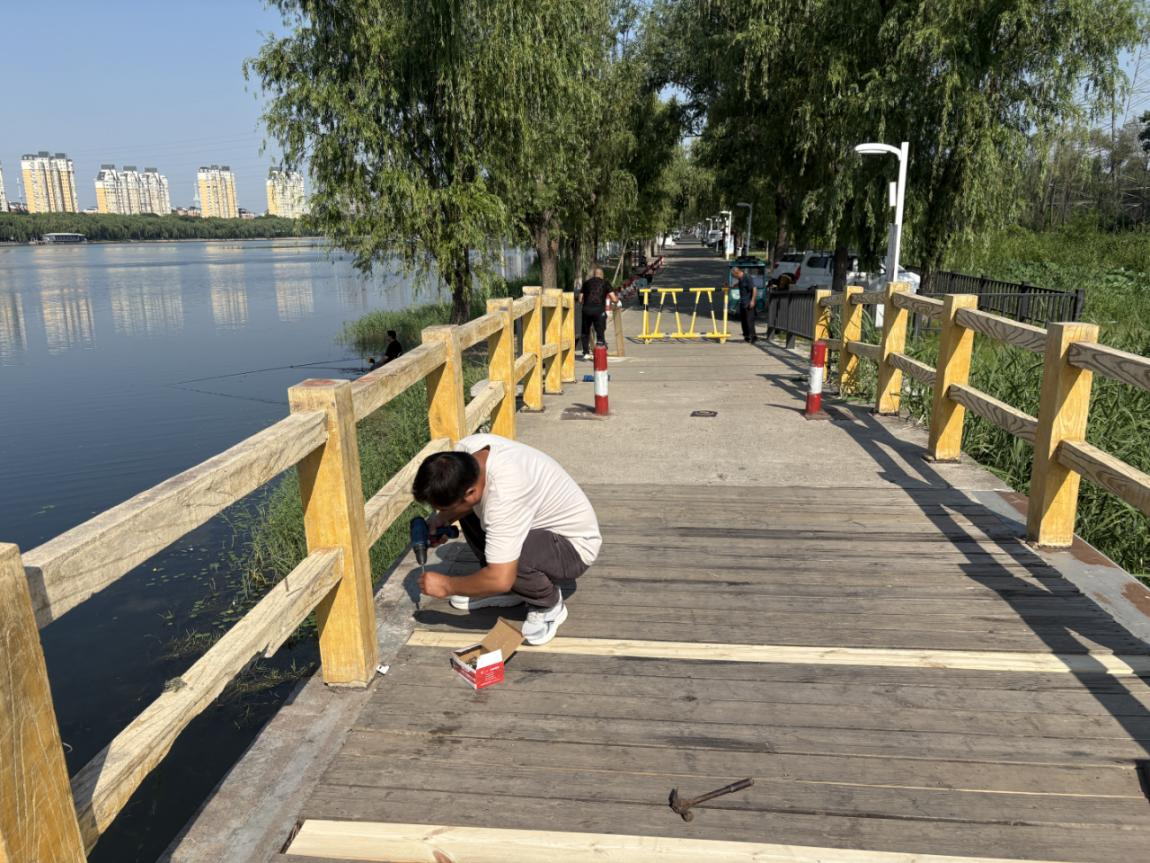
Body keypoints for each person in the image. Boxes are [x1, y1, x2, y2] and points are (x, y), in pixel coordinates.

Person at [412, 434, 601, 645]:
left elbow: (500, 578)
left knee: (509, 561)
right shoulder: (466, 453)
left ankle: (547, 604)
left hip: (573, 548)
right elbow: (470, 503)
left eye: (443, 508)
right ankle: (514, 590)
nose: (441, 512)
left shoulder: (505, 495)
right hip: (536, 527)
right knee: (476, 518)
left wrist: (447, 585)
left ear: (471, 492)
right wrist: (443, 518)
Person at [576, 267, 619, 359]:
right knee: (600, 330)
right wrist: (617, 300)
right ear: (602, 275)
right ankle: (600, 351)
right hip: (599, 310)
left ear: (594, 275)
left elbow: (580, 299)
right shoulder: (605, 283)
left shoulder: (586, 283)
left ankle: (586, 353)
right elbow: (613, 298)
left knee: (585, 331)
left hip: (586, 310)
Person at [733, 266, 758, 343]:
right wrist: (734, 286)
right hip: (743, 302)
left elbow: (754, 289)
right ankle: (747, 336)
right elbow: (741, 284)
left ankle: (752, 337)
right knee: (744, 321)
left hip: (748, 302)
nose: (735, 277)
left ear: (737, 273)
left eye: (734, 276)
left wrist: (752, 301)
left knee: (749, 321)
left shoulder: (747, 277)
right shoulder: (740, 279)